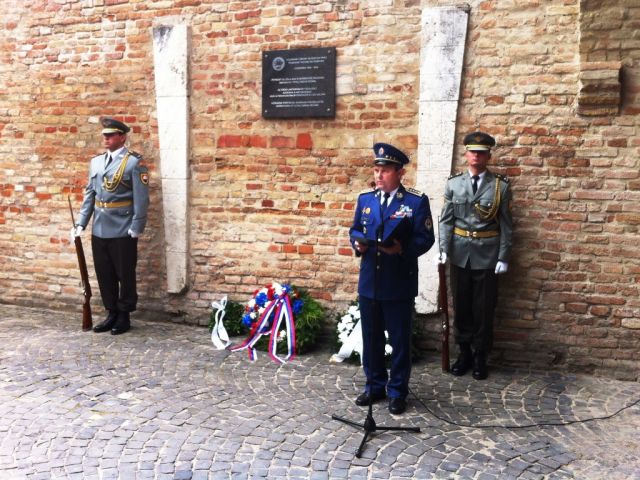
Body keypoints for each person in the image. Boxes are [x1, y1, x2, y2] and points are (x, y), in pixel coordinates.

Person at [349, 143, 435, 414]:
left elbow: (426, 238)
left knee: (399, 342)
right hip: (370, 282)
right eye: (376, 170)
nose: (379, 175)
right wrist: (357, 244)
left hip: (398, 282)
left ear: (399, 173)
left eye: (385, 171)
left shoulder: (415, 201)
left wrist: (401, 249)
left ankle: (397, 391)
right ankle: (374, 386)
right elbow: (355, 229)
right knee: (371, 338)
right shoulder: (366, 199)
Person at [438, 131, 513, 380]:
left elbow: (506, 225)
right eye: (472, 152)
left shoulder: (500, 186)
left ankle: (481, 355)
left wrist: (503, 256)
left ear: (488, 155)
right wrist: (443, 249)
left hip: (487, 254)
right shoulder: (454, 184)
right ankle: (464, 353)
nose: (476, 156)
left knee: (483, 308)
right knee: (461, 306)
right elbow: (446, 221)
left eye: (481, 153)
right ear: (466, 154)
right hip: (460, 254)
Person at [72, 117, 150, 335]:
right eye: (104, 135)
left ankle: (124, 315)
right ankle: (111, 312)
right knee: (104, 272)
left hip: (123, 227)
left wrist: (137, 226)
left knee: (125, 273)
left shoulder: (134, 163)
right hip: (100, 226)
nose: (106, 139)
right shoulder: (96, 162)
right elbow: (90, 194)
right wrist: (81, 223)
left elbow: (141, 198)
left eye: (110, 135)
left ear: (122, 137)